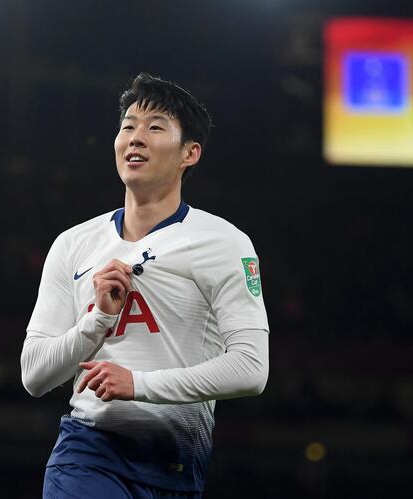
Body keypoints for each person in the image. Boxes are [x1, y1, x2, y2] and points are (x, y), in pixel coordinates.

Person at [21, 73, 270, 498]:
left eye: (155, 127)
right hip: (87, 451)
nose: (136, 138)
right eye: (128, 127)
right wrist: (97, 320)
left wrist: (139, 384)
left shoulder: (224, 243)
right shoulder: (73, 244)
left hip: (177, 463)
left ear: (190, 152)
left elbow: (251, 368)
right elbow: (34, 374)